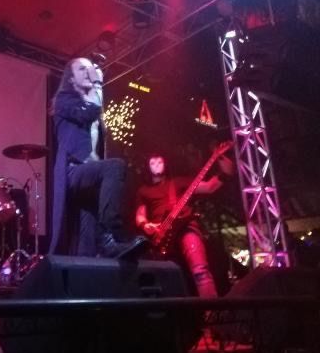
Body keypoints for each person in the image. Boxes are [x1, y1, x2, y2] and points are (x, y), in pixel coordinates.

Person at [49, 56, 148, 258]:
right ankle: (110, 236)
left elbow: (95, 120)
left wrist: (96, 88)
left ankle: (94, 257)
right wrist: (96, 83)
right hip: (73, 171)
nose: (88, 72)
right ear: (70, 79)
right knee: (115, 166)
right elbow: (86, 114)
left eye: (90, 68)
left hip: (91, 178)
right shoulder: (63, 100)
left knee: (86, 246)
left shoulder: (92, 103)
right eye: (81, 69)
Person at [134, 148, 234, 298]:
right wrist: (145, 225)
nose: (157, 165)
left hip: (186, 227)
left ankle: (211, 309)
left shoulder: (179, 182)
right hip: (160, 236)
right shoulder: (143, 191)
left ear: (165, 164)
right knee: (163, 278)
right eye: (152, 163)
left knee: (200, 269)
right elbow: (140, 215)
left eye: (160, 161)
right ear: (147, 167)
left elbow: (209, 187)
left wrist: (224, 168)